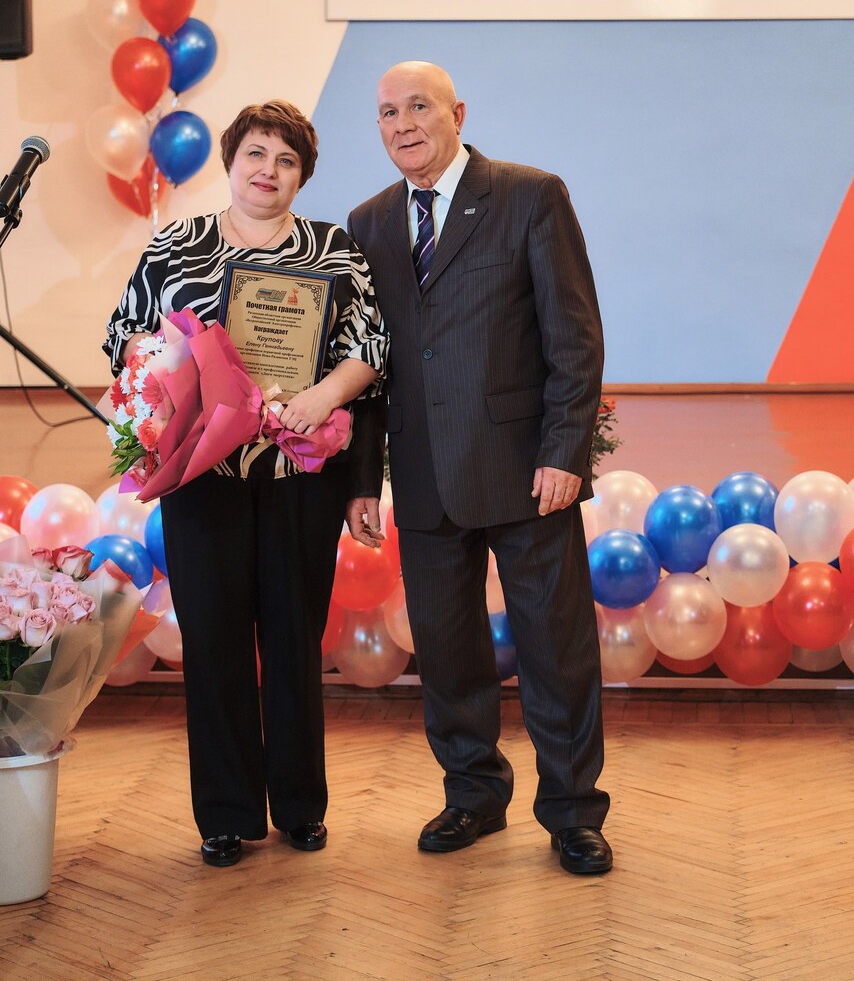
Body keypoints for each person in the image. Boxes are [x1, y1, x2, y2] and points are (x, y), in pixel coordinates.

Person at [105, 100, 387, 868]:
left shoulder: (334, 250)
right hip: (203, 476)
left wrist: (320, 397)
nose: (269, 170)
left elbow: (371, 346)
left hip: (301, 475)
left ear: (302, 176)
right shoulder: (177, 244)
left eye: (287, 160)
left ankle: (300, 806)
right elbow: (124, 337)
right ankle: (226, 813)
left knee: (294, 639)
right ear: (231, 162)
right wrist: (180, 376)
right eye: (256, 154)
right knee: (215, 641)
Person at [347, 62, 611, 876]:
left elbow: (575, 336)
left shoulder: (530, 195)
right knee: (448, 651)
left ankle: (573, 813)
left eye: (417, 106)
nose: (402, 124)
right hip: (423, 474)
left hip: (526, 473)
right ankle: (473, 795)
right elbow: (367, 360)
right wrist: (361, 479)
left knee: (556, 650)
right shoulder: (370, 221)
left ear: (457, 113)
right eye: (387, 112)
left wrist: (564, 451)